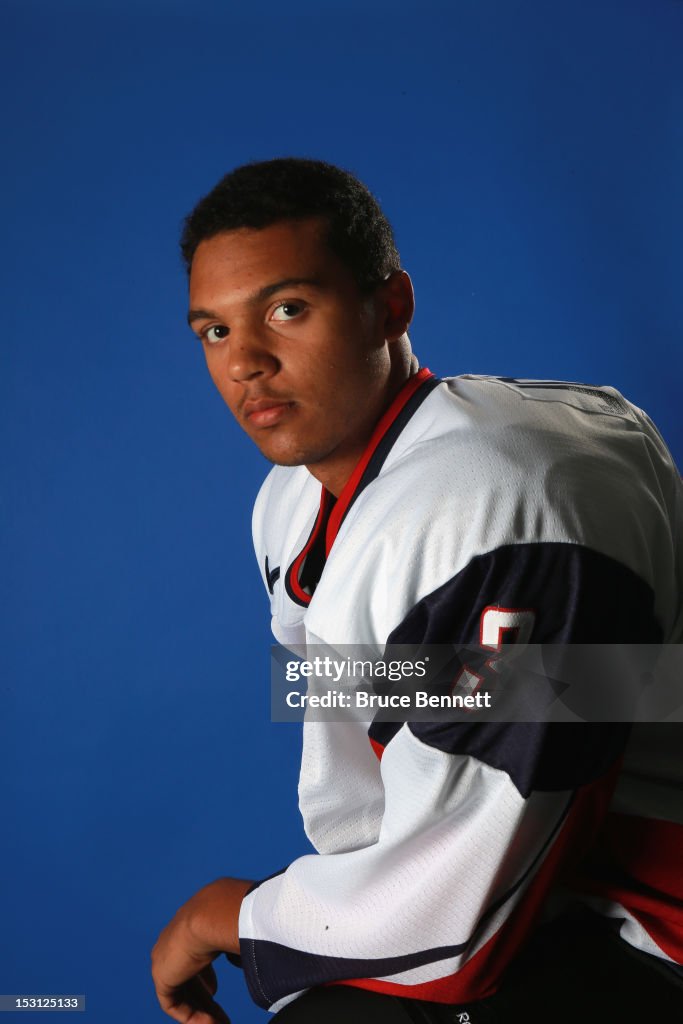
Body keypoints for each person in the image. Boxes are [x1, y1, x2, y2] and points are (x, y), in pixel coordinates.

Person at [151, 158, 683, 1023]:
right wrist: (327, 918)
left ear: (389, 306)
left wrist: (241, 915)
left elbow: (460, 930)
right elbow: (373, 743)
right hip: (527, 888)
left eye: (287, 310)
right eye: (213, 331)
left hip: (647, 926)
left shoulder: (503, 498)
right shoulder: (290, 501)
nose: (245, 362)